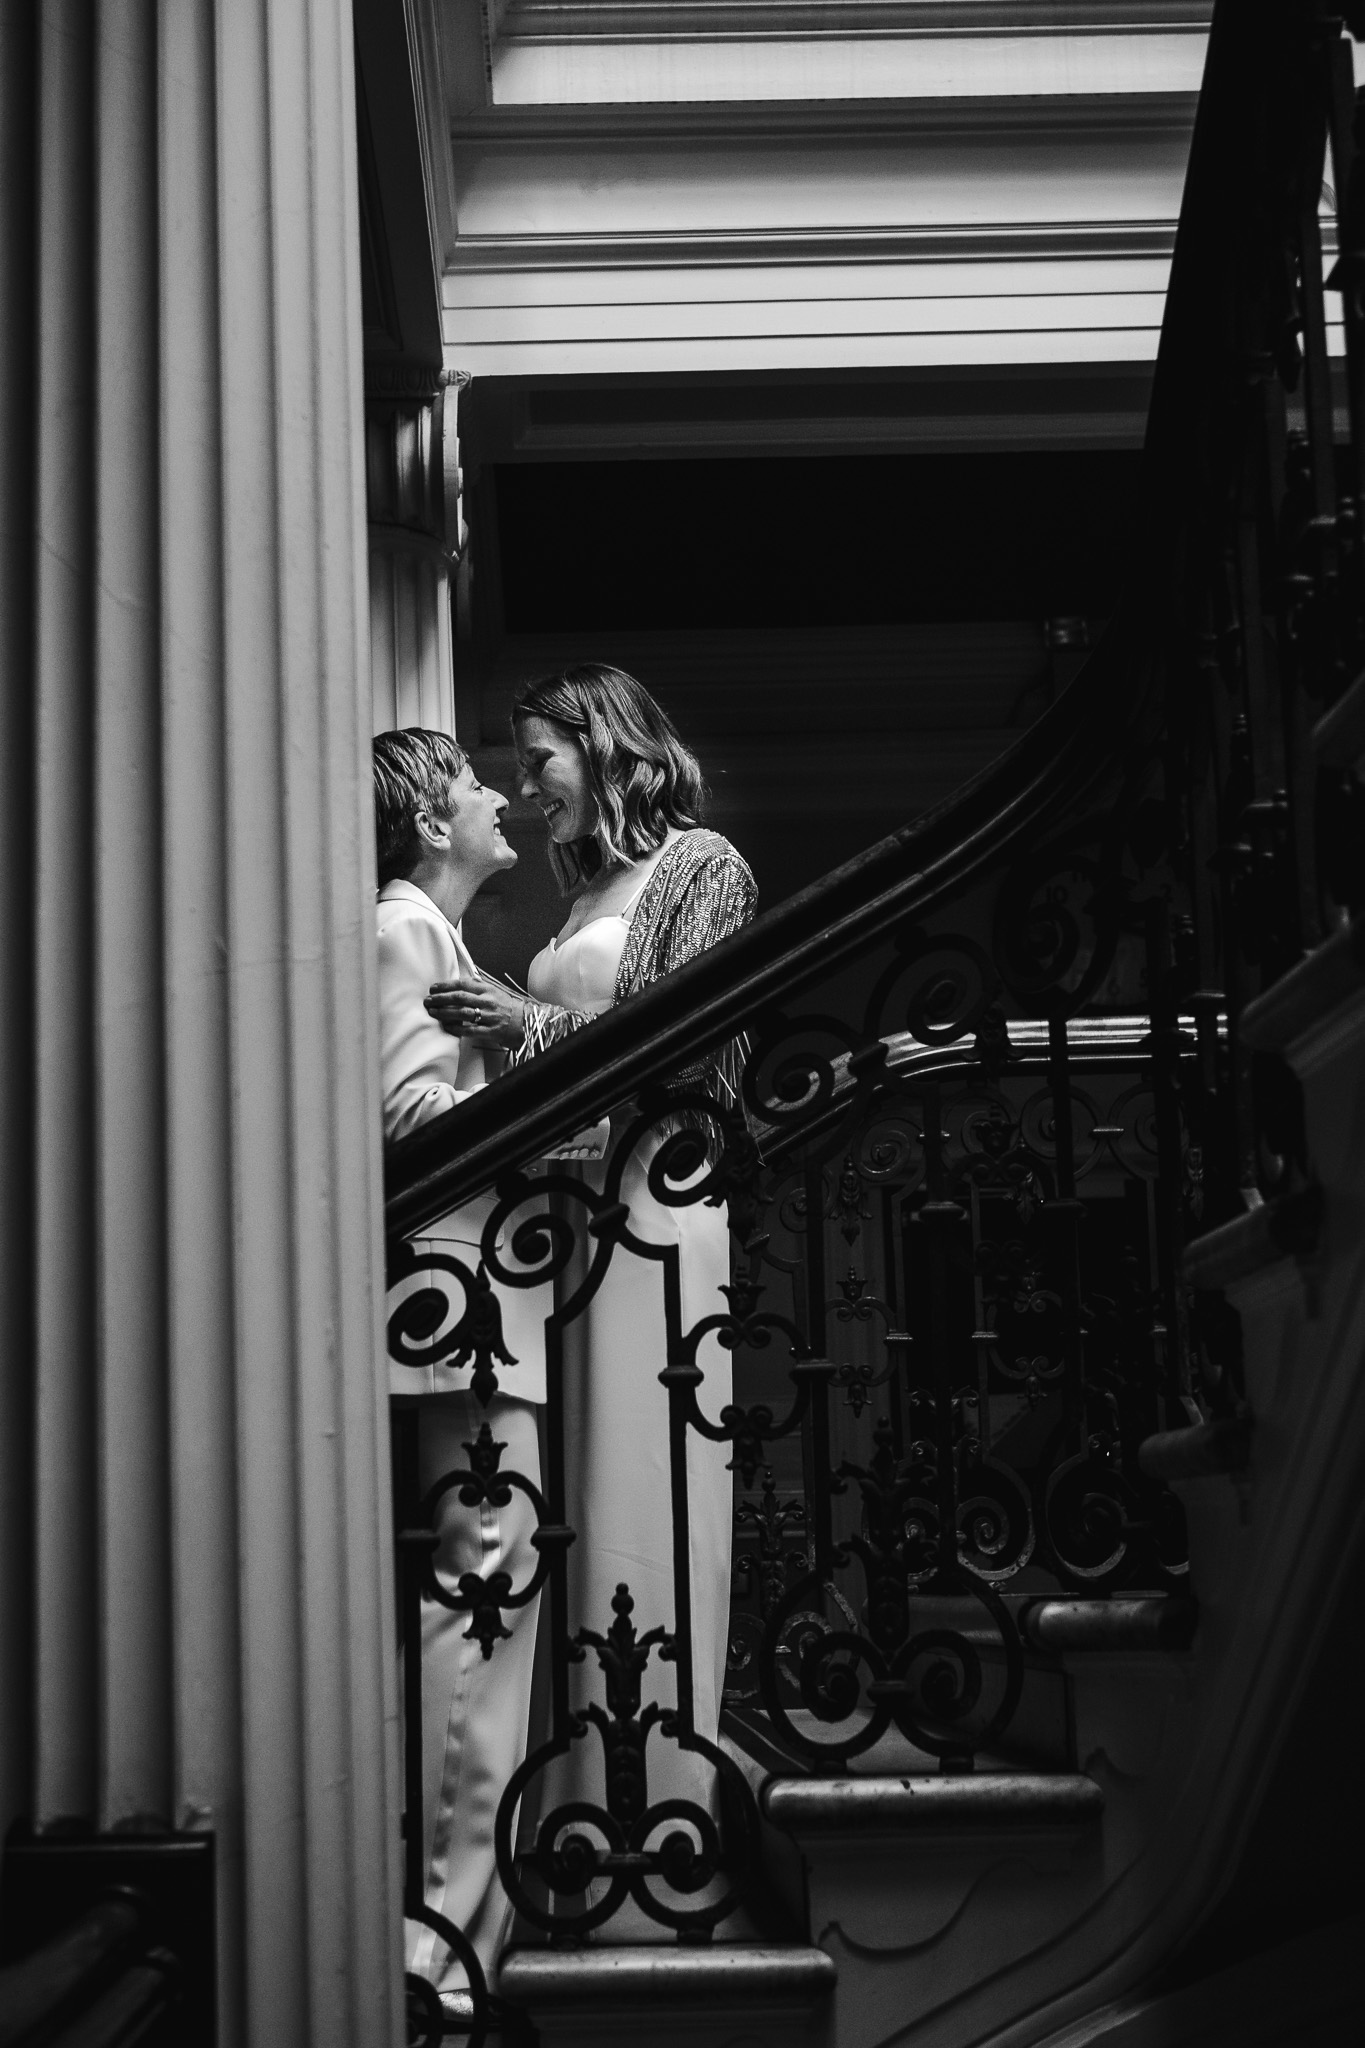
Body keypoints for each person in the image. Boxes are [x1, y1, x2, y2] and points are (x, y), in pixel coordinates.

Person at [425, 665, 756, 1872]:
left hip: (657, 1212)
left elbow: (691, 1049)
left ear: (608, 747)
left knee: (646, 1494)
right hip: (565, 1229)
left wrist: (523, 1025)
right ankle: (577, 1808)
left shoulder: (701, 868)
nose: (523, 789)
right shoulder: (576, 907)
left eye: (539, 758)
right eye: (513, 766)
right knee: (575, 1503)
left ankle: (660, 1815)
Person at [373, 728, 550, 1998]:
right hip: (460, 1308)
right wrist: (555, 1084)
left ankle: (454, 1932)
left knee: (486, 1602)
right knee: (478, 1602)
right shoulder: (404, 931)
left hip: (481, 1306)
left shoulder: (439, 940)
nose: (498, 795)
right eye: (478, 782)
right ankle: (440, 1953)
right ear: (435, 821)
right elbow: (408, 1119)